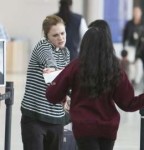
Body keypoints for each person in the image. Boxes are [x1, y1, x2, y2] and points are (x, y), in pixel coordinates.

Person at [46, 20, 144, 150]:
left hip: (84, 127)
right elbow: (128, 103)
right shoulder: (115, 68)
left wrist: (63, 94)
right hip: (108, 129)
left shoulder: (76, 66)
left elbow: (52, 95)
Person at [21, 15, 70, 150]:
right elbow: (50, 62)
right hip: (34, 117)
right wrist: (56, 71)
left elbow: (64, 82)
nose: (60, 38)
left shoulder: (66, 53)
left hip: (56, 119)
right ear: (47, 36)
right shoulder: (42, 46)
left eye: (62, 33)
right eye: (55, 35)